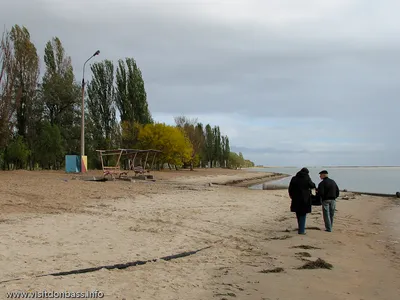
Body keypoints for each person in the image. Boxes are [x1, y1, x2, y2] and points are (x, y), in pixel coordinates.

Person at [288, 167, 316, 234]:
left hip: (295, 198)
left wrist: (291, 196)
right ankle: (301, 231)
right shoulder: (307, 178)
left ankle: (300, 228)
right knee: (303, 214)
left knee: (298, 213)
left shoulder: (294, 178)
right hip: (305, 199)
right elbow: (312, 185)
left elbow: (290, 188)